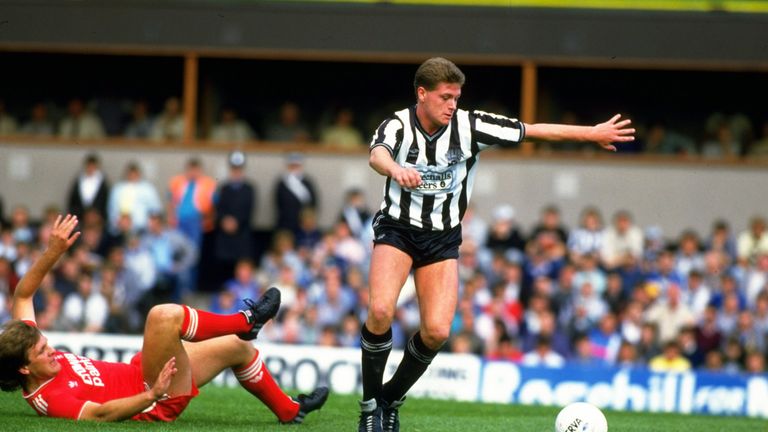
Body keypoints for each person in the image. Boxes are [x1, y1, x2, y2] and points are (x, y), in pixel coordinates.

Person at [358, 57, 634, 432]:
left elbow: (532, 130)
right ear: (422, 94)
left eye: (456, 97)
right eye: (445, 97)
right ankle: (371, 405)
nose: (452, 104)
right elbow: (377, 154)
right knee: (379, 311)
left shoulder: (471, 126)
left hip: (441, 238)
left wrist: (592, 133)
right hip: (397, 228)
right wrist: (395, 169)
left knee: (437, 331)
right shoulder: (397, 125)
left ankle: (390, 398)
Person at [0, 214, 328, 423]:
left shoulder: (27, 348)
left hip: (143, 371)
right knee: (162, 316)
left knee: (237, 349)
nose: (51, 350)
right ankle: (247, 321)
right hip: (152, 396)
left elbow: (23, 296)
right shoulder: (48, 398)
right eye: (43, 352)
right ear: (24, 369)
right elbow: (99, 415)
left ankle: (289, 411)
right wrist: (151, 395)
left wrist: (53, 252)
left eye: (46, 343)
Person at [213, 151, 256, 286]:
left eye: (239, 169)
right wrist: (224, 221)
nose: (236, 172)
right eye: (234, 169)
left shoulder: (249, 188)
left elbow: (249, 210)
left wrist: (236, 222)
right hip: (225, 239)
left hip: (241, 237)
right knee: (223, 271)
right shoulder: (224, 188)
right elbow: (218, 209)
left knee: (240, 268)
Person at [107, 162, 163, 235]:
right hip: (120, 228)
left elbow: (156, 209)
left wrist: (150, 223)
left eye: (134, 174)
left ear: (139, 174)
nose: (132, 176)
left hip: (142, 228)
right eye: (130, 174)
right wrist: (118, 221)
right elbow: (112, 208)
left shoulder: (147, 188)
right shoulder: (117, 189)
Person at [273, 153, 318, 235]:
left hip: (303, 224)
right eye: (292, 166)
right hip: (286, 223)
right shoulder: (282, 183)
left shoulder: (307, 182)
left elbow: (313, 202)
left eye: (297, 166)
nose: (295, 168)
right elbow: (278, 203)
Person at [67, 153, 110, 222]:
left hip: (98, 217)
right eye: (89, 166)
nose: (91, 168)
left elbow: (105, 201)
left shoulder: (102, 182)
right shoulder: (79, 180)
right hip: (81, 217)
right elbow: (73, 200)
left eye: (93, 166)